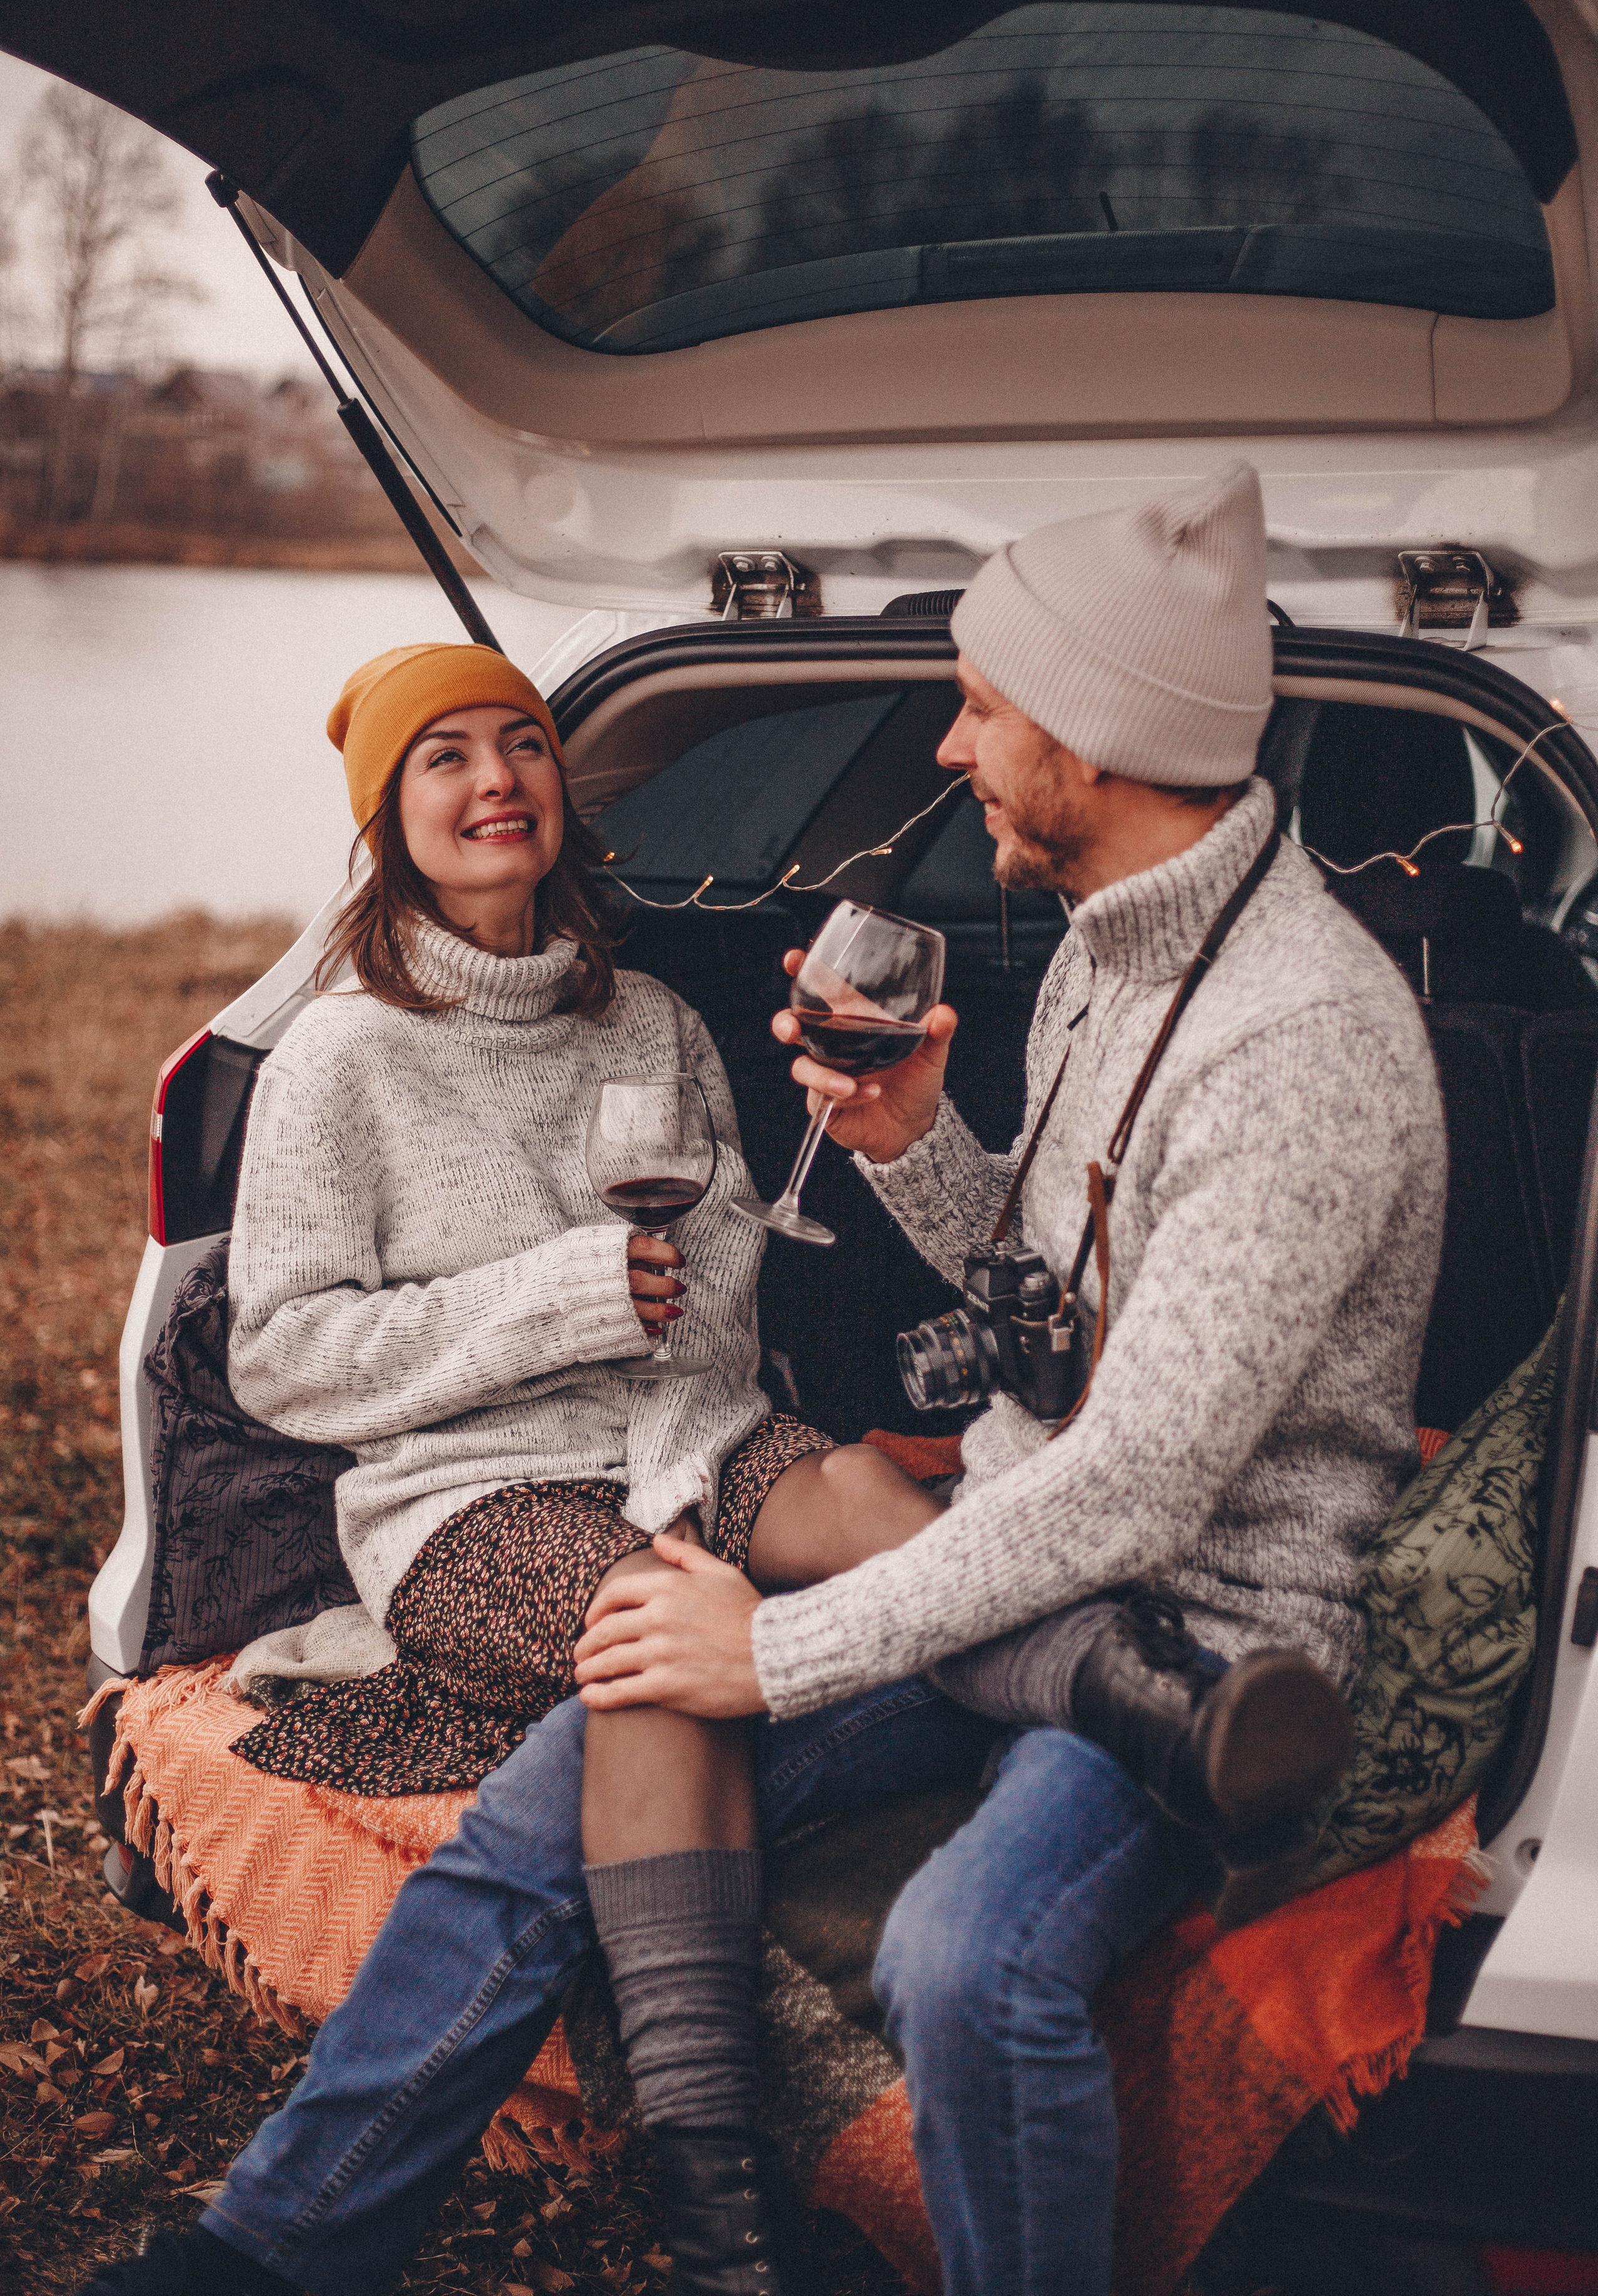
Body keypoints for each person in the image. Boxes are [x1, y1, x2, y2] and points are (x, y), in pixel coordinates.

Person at [84, 462, 1446, 2296]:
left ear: (1102, 734)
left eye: (981, 704)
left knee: (931, 1918)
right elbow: (1056, 1300)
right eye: (446, 762)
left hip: (1165, 1596)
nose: (950, 752)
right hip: (1010, 1547)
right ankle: (281, 2251)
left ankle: (1135, 1738)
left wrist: (775, 1647)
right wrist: (908, 1141)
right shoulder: (1104, 962)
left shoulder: (1299, 1046)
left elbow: (1132, 1482)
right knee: (599, 1739)